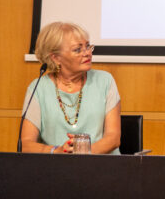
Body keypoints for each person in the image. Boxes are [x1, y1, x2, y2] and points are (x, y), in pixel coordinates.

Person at [21, 22, 121, 154]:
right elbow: (26, 145)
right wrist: (57, 151)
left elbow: (113, 139)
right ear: (56, 58)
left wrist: (83, 152)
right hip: (57, 169)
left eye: (88, 46)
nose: (87, 53)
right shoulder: (38, 88)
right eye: (77, 49)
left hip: (101, 167)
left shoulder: (104, 81)